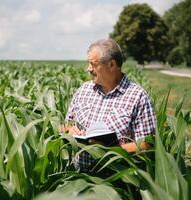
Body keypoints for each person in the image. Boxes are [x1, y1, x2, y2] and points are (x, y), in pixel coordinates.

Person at [62, 38, 156, 173]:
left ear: (111, 64)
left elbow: (147, 145)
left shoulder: (137, 96)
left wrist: (110, 151)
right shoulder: (83, 90)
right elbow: (65, 125)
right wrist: (69, 131)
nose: (88, 69)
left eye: (92, 64)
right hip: (77, 179)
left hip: (114, 183)